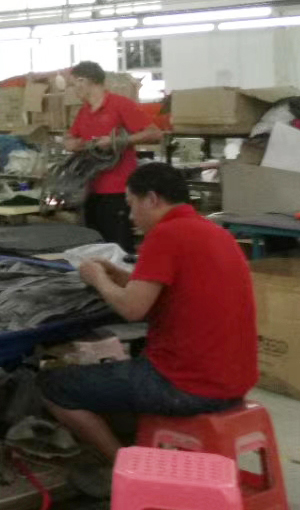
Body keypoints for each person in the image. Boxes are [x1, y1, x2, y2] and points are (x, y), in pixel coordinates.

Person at [40, 162, 257, 464]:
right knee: (123, 367)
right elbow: (171, 290)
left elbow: (132, 309)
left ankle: (122, 465)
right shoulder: (214, 232)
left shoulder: (166, 234)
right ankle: (135, 442)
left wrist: (98, 279)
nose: (131, 217)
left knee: (53, 386)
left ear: (152, 199)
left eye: (131, 205)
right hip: (235, 380)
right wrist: (119, 276)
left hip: (187, 385)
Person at [64, 60, 162, 252]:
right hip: (90, 190)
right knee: (95, 247)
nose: (74, 90)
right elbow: (70, 136)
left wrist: (116, 141)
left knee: (118, 248)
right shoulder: (84, 111)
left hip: (117, 191)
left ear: (84, 81)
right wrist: (72, 143)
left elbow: (155, 134)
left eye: (74, 84)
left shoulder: (120, 104)